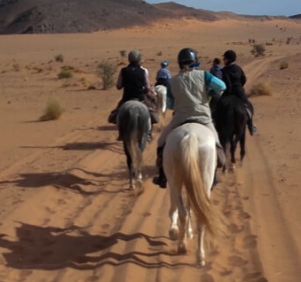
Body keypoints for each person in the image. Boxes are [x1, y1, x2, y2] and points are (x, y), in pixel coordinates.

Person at [152, 47, 228, 189]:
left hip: (180, 119)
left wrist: (181, 101)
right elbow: (222, 86)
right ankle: (215, 175)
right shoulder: (204, 75)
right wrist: (209, 93)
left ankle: (162, 176)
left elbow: (169, 104)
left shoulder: (172, 82)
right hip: (204, 119)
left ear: (180, 63)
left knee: (161, 142)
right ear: (195, 61)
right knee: (216, 143)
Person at [109, 50, 158, 134]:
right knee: (152, 112)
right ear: (139, 59)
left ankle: (121, 132)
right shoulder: (143, 71)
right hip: (140, 98)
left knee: (115, 114)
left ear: (129, 59)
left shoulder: (123, 70)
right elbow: (146, 88)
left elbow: (118, 86)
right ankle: (149, 132)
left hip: (126, 98)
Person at [220, 49, 257, 134]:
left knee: (219, 106)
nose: (223, 60)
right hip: (239, 91)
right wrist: (239, 86)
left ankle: (217, 123)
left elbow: (227, 83)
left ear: (228, 59)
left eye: (224, 58)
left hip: (228, 92)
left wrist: (228, 91)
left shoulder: (225, 70)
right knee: (247, 105)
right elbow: (243, 79)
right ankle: (250, 125)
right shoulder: (238, 68)